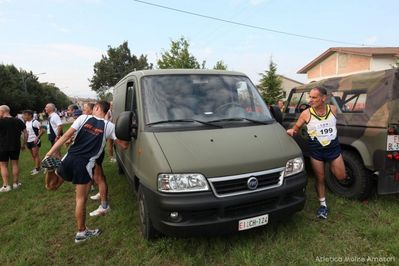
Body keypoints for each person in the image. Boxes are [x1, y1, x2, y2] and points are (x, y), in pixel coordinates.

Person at [43, 101, 128, 243]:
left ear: (96, 108)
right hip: (84, 165)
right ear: (107, 111)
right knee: (80, 199)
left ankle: (50, 170)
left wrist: (49, 153)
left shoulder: (83, 118)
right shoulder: (110, 126)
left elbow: (64, 137)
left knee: (52, 186)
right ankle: (82, 232)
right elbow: (124, 145)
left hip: (68, 158)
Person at [286, 87, 346, 219]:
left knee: (341, 176)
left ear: (323, 98)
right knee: (320, 178)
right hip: (316, 152)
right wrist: (291, 131)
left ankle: (331, 165)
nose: (310, 100)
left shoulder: (333, 109)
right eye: (310, 97)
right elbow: (296, 128)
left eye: (314, 97)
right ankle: (323, 205)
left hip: (333, 150)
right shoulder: (306, 114)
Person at [0, 105, 27, 192]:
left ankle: (6, 186)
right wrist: (24, 144)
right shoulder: (18, 120)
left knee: (3, 165)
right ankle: (15, 184)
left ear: (2, 111)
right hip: (15, 146)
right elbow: (26, 133)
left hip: (2, 147)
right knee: (15, 164)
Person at [23, 110, 43, 175]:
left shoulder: (35, 122)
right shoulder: (26, 122)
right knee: (33, 156)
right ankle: (38, 167)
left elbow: (42, 130)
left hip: (34, 141)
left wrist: (37, 137)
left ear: (30, 115)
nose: (24, 116)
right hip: (28, 141)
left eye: (25, 115)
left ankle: (37, 169)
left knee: (35, 155)